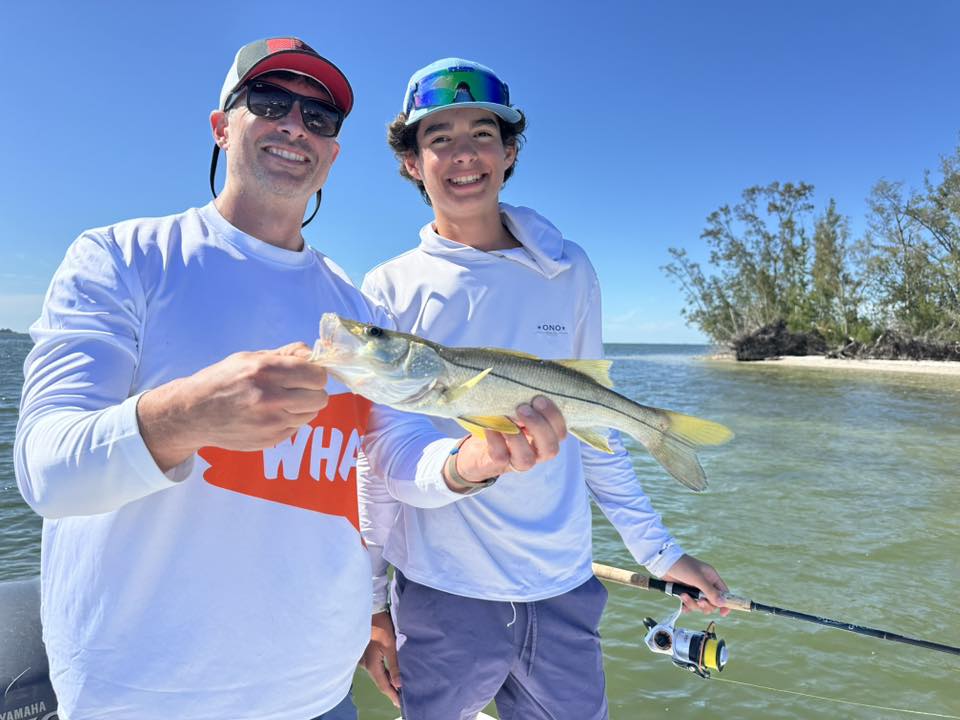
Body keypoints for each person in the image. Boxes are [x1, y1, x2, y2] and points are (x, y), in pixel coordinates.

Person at [14, 40, 565, 720]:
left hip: (320, 691)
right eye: (270, 103)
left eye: (319, 118)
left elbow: (391, 461)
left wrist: (473, 461)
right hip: (141, 695)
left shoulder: (355, 310)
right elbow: (46, 473)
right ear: (222, 125)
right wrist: (185, 414)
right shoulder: (121, 258)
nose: (294, 126)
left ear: (333, 154)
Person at [358, 58, 731, 720]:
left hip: (564, 588)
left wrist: (662, 552)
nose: (462, 154)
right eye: (438, 138)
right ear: (412, 162)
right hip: (443, 595)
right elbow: (379, 467)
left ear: (508, 153)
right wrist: (374, 607)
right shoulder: (389, 288)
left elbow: (598, 433)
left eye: (482, 133)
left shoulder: (568, 268)